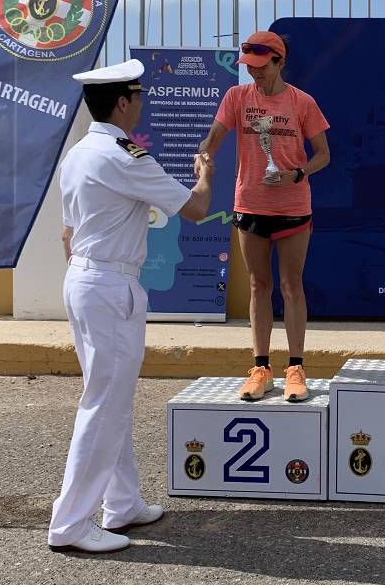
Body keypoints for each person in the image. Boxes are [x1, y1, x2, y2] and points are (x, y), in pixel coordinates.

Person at [49, 59, 214, 554]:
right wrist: (203, 174)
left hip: (82, 279)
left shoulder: (78, 154)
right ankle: (70, 523)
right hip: (108, 286)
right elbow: (198, 208)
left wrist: (89, 277)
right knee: (104, 405)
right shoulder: (126, 156)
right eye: (137, 95)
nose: (141, 102)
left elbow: (66, 233)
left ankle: (120, 503)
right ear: (122, 102)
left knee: (108, 397)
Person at [197, 30, 330, 403]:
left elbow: (323, 154)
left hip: (292, 207)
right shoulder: (236, 97)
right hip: (250, 203)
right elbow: (214, 136)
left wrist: (299, 173)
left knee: (291, 285)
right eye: (249, 66)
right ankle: (260, 368)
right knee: (258, 286)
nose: (253, 73)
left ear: (279, 61)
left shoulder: (302, 102)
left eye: (260, 66)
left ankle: (296, 367)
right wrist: (204, 152)